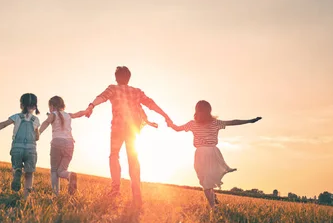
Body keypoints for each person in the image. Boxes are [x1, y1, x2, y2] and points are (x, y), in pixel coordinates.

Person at [84, 66, 171, 205]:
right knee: (133, 158)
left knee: (114, 155)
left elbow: (101, 97)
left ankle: (115, 189)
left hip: (118, 127)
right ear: (129, 78)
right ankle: (137, 192)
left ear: (116, 78)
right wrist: (165, 116)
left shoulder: (113, 88)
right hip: (132, 129)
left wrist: (91, 106)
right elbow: (151, 104)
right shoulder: (136, 92)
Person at [167, 100, 261, 209]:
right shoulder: (213, 123)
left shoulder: (194, 124)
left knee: (205, 181)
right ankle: (213, 200)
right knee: (208, 180)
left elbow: (177, 129)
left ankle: (212, 207)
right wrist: (250, 121)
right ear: (209, 110)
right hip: (212, 152)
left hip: (202, 153)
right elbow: (233, 122)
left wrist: (169, 122)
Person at [0, 93, 41, 198]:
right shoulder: (36, 120)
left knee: (16, 167)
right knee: (29, 174)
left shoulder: (16, 117)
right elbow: (37, 136)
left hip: (17, 148)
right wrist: (35, 136)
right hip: (31, 150)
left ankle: (17, 171)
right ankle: (26, 197)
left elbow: (3, 124)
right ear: (35, 107)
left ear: (21, 105)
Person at [39, 96, 88, 195]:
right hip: (70, 144)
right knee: (61, 171)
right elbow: (78, 114)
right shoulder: (68, 115)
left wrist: (38, 133)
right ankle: (69, 175)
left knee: (54, 171)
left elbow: (46, 122)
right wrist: (87, 111)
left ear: (52, 106)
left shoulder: (53, 114)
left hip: (57, 143)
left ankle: (55, 194)